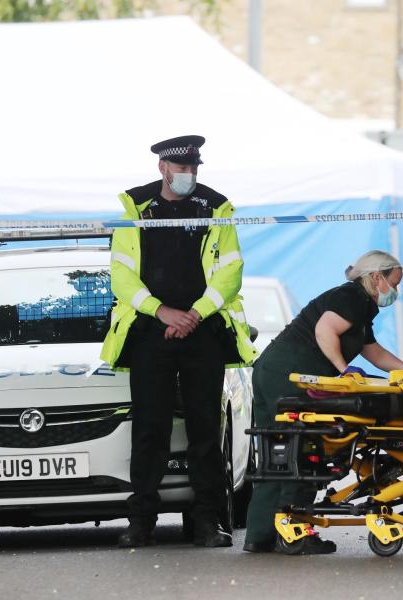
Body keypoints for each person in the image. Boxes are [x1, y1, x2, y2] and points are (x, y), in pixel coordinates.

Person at [100, 135, 257, 548]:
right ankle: (141, 522)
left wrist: (194, 314)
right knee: (150, 430)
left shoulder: (216, 207)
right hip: (151, 332)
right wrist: (161, 311)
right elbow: (121, 276)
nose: (188, 175)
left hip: (202, 331)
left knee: (206, 429)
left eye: (193, 168)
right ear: (163, 169)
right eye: (181, 168)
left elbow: (231, 272)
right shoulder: (136, 207)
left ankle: (207, 521)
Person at [242, 250, 403, 554]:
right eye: (394, 283)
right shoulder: (349, 297)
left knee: (278, 450)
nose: (396, 291)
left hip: (278, 373)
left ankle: (262, 534)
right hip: (289, 375)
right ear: (377, 277)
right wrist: (343, 369)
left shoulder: (360, 307)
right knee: (301, 448)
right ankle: (293, 530)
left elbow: (374, 353)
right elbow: (325, 330)